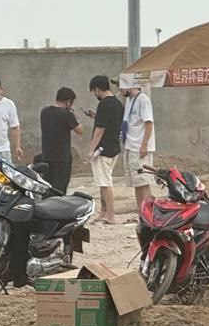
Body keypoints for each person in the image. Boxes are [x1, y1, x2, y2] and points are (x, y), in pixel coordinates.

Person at [85, 76, 123, 223]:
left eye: (93, 91)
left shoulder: (104, 105)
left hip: (102, 149)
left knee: (105, 183)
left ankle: (110, 215)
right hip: (114, 146)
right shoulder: (118, 104)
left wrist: (91, 149)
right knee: (103, 182)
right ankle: (103, 212)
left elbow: (100, 129)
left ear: (97, 89)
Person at [38, 87, 83, 193]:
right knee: (60, 188)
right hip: (62, 158)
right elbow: (80, 130)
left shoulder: (44, 111)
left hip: (47, 155)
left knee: (47, 186)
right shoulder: (67, 115)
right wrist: (75, 117)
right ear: (68, 102)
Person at [121, 85, 156, 211]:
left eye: (121, 86)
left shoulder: (143, 100)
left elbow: (148, 123)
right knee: (137, 183)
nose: (119, 89)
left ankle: (149, 213)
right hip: (130, 146)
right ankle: (142, 214)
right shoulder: (129, 100)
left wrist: (144, 144)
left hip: (139, 147)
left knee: (143, 181)